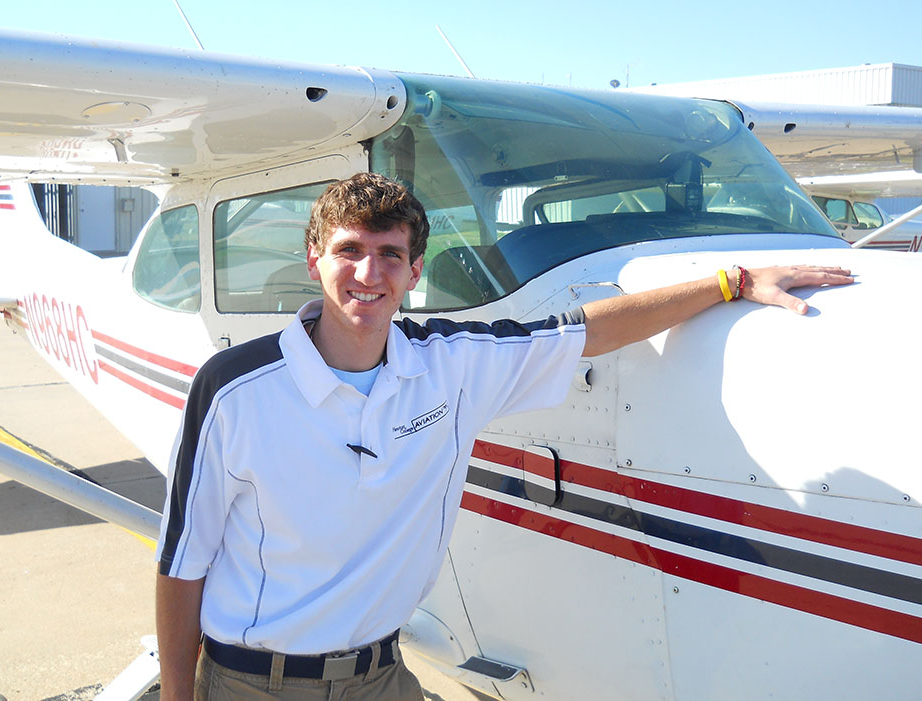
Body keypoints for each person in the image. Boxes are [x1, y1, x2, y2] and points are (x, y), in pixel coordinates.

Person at [155, 172, 852, 700]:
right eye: (350, 251)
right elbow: (181, 565)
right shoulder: (233, 387)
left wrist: (731, 281)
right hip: (259, 682)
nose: (369, 274)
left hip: (383, 673)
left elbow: (589, 330)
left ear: (415, 271)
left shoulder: (450, 362)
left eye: (390, 255)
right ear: (315, 259)